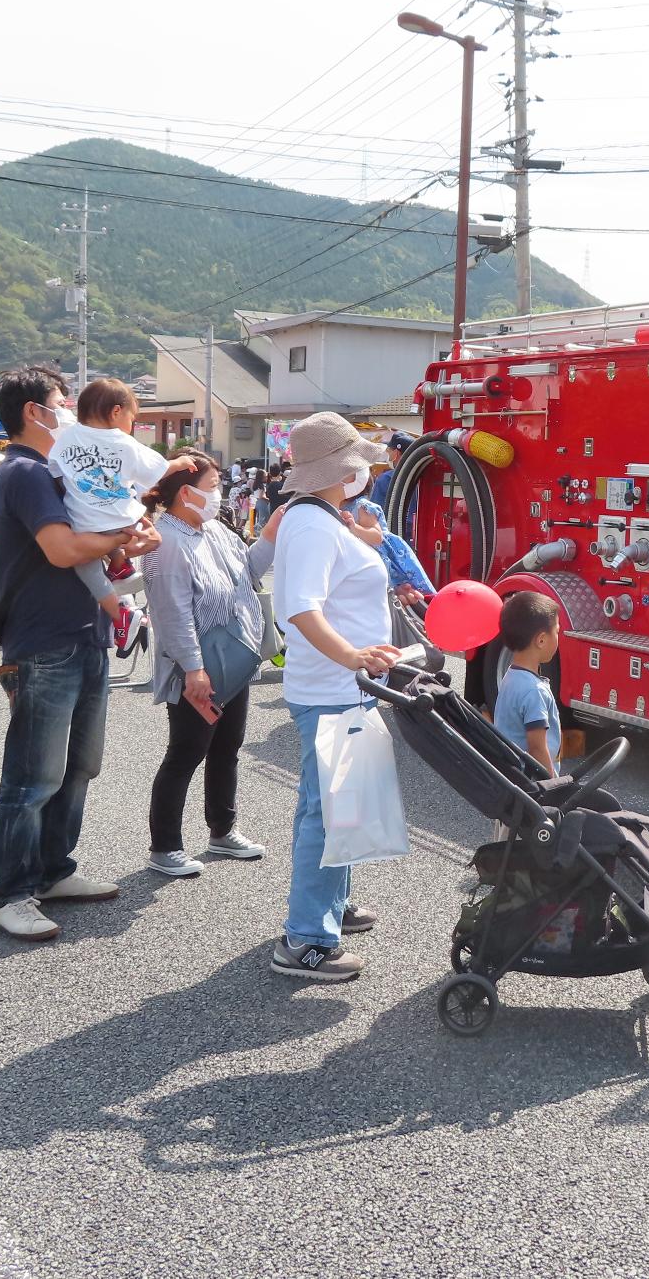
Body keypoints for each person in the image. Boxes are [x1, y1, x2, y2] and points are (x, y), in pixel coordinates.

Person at [0, 367, 160, 942]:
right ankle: (11, 892)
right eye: (61, 403)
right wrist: (123, 537)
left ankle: (55, 870)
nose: (69, 414)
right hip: (43, 641)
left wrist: (121, 539)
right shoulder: (26, 472)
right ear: (36, 413)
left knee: (78, 768)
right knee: (33, 776)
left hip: (83, 634)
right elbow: (62, 550)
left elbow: (88, 549)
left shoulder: (55, 471)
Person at [268, 412, 400, 982]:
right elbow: (301, 606)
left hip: (334, 686)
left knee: (332, 806)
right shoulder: (316, 526)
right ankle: (307, 939)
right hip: (334, 688)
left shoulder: (316, 518)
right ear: (342, 469)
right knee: (329, 811)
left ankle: (329, 908)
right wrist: (352, 656)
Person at [142, 450, 275, 879]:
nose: (220, 495)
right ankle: (165, 846)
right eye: (214, 487)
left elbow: (247, 571)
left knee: (227, 747)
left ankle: (223, 829)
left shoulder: (215, 529)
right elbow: (172, 612)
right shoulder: (167, 542)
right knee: (186, 751)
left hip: (232, 659)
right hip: (196, 666)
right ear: (186, 493)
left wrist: (270, 536)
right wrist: (194, 668)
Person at [44, 378, 167, 656]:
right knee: (122, 540)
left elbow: (53, 469)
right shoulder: (124, 442)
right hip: (125, 516)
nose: (131, 424)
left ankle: (121, 614)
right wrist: (179, 463)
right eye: (132, 417)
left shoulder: (68, 436)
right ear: (116, 412)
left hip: (86, 522)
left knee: (84, 565)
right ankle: (120, 567)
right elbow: (155, 471)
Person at [493, 591, 562, 778]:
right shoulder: (534, 691)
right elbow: (538, 748)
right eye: (556, 631)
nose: (558, 637)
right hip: (533, 785)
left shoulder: (510, 677)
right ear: (541, 640)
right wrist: (553, 787)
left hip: (513, 776)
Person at [366, 430, 415, 515]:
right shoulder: (422, 476)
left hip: (391, 527)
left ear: (396, 453)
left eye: (389, 452)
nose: (388, 457)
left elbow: (375, 514)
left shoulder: (386, 479)